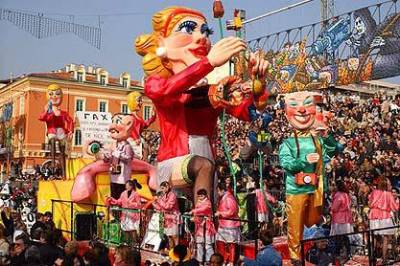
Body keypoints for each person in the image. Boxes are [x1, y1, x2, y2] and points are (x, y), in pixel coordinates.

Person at [135, 6, 269, 203]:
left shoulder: (214, 89)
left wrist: (259, 83)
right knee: (180, 206)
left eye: (206, 31)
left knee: (207, 197)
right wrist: (208, 63)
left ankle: (205, 227)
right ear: (162, 42)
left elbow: (249, 113)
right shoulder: (156, 82)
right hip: (174, 160)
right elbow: (164, 91)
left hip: (207, 158)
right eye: (188, 29)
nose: (201, 37)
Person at [279, 91, 339, 264]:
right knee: (295, 226)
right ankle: (296, 257)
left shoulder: (317, 140)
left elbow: (335, 150)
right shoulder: (288, 142)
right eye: (295, 106)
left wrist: (327, 135)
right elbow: (286, 163)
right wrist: (303, 160)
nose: (302, 111)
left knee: (313, 221)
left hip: (315, 189)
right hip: (296, 190)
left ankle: (310, 252)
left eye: (307, 105)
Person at [38, 84, 74, 177]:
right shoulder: (49, 112)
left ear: (61, 96)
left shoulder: (63, 113)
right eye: (51, 94)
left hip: (61, 132)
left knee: (62, 150)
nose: (54, 96)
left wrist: (70, 131)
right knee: (52, 140)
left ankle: (64, 172)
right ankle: (53, 161)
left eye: (57, 94)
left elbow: (70, 121)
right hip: (52, 131)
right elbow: (41, 118)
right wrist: (46, 110)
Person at [368, 177, 399, 262]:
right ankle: (384, 259)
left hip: (374, 216)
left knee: (374, 236)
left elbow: (370, 204)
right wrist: (397, 201)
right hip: (384, 216)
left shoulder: (374, 192)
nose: (390, 185)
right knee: (385, 238)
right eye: (389, 183)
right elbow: (395, 208)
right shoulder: (389, 194)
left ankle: (372, 257)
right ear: (386, 184)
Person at [107, 179, 142, 245]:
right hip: (125, 214)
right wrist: (111, 199)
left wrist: (131, 203)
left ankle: (135, 243)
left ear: (131, 186)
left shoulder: (136, 194)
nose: (126, 187)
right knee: (125, 229)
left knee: (132, 229)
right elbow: (119, 201)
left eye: (127, 186)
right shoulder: (123, 193)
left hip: (132, 215)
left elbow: (139, 205)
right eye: (126, 186)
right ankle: (127, 242)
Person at [186, 189, 215, 263]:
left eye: (201, 196)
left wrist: (193, 211)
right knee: (199, 244)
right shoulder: (199, 202)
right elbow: (198, 214)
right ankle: (199, 260)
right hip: (199, 227)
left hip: (207, 226)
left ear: (205, 195)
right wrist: (194, 218)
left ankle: (210, 260)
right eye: (198, 196)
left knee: (208, 245)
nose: (199, 197)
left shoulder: (208, 203)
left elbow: (203, 210)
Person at [215, 183, 240, 266]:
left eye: (218, 191)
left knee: (231, 244)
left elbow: (232, 211)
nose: (217, 193)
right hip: (223, 224)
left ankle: (231, 261)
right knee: (221, 242)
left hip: (230, 225)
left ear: (221, 190)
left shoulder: (229, 198)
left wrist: (220, 213)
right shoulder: (223, 197)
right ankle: (223, 259)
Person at [127, 91, 157, 160]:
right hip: (133, 140)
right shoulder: (130, 116)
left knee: (146, 149)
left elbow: (145, 125)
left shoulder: (138, 117)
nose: (141, 103)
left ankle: (144, 162)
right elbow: (131, 128)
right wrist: (135, 138)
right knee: (144, 149)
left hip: (138, 139)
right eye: (139, 101)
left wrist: (152, 117)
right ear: (132, 101)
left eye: (141, 101)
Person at [153, 181, 180, 252]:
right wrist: (154, 204)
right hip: (167, 219)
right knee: (169, 237)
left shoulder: (172, 195)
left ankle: (177, 253)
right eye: (161, 189)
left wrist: (158, 200)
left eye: (163, 188)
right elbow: (161, 208)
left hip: (174, 218)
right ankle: (172, 253)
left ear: (167, 187)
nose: (162, 190)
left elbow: (168, 207)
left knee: (175, 236)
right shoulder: (164, 196)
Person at [330, 180, 353, 259]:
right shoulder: (346, 194)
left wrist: (331, 206)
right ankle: (348, 252)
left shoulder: (338, 195)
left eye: (334, 185)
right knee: (345, 237)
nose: (333, 187)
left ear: (337, 186)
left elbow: (334, 208)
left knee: (338, 237)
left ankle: (337, 254)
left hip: (339, 219)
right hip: (346, 218)